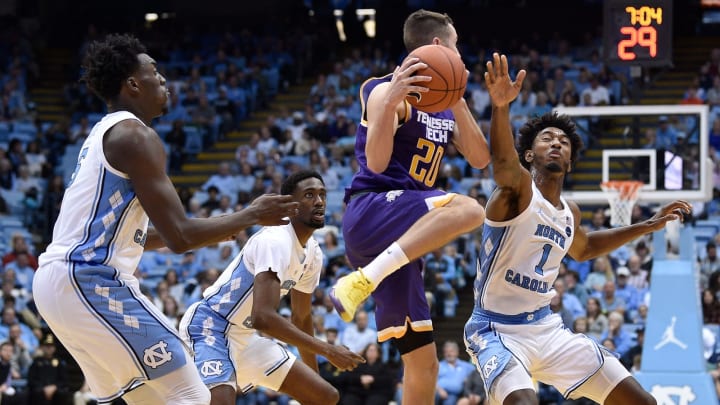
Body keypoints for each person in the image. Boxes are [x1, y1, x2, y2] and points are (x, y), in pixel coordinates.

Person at [32, 34, 300, 405]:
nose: (164, 81)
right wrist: (252, 214)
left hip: (59, 284)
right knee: (193, 395)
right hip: (89, 279)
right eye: (155, 72)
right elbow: (180, 237)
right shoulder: (136, 136)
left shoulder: (102, 134)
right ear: (133, 84)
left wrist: (223, 226)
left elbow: (138, 236)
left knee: (152, 400)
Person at [463, 52, 690, 404]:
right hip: (496, 329)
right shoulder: (518, 190)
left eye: (563, 142)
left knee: (643, 402)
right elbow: (503, 164)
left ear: (569, 161)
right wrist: (500, 107)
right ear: (529, 155)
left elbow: (583, 249)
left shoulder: (571, 212)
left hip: (546, 327)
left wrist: (647, 225)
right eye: (547, 139)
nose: (556, 142)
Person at [329, 10, 491, 404]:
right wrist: (390, 105)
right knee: (471, 210)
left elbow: (480, 158)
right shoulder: (384, 90)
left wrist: (459, 99)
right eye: (455, 46)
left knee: (423, 363)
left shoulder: (442, 101)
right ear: (438, 46)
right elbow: (379, 163)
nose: (459, 53)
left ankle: (364, 279)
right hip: (373, 211)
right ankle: (363, 280)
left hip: (400, 238)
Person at [179, 170, 365, 405]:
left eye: (322, 195)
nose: (319, 201)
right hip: (210, 326)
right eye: (309, 195)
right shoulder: (276, 240)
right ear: (290, 206)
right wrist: (328, 350)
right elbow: (262, 318)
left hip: (244, 337)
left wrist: (314, 375)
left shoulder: (313, 253)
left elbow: (302, 317)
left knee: (324, 396)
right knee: (221, 400)